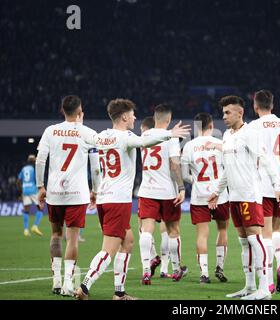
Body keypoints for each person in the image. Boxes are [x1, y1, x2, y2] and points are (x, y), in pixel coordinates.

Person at [74, 99, 190, 300]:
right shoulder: (126, 137)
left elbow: (86, 134)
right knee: (108, 250)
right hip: (118, 201)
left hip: (104, 198)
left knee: (127, 241)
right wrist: (170, 134)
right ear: (124, 116)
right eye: (132, 114)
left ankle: (119, 293)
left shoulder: (102, 137)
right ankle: (84, 287)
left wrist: (77, 123)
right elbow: (145, 142)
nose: (135, 117)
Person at [208, 95, 280, 300]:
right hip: (234, 197)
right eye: (223, 112)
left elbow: (265, 159)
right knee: (244, 242)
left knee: (255, 238)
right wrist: (217, 191)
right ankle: (250, 286)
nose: (223, 116)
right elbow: (226, 168)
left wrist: (277, 185)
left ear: (240, 113)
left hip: (249, 196)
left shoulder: (250, 132)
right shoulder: (226, 135)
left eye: (227, 112)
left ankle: (264, 288)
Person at [36, 95, 100, 296]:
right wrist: (95, 190)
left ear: (62, 110)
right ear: (80, 112)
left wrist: (40, 186)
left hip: (55, 192)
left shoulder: (50, 131)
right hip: (77, 194)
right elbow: (96, 167)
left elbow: (40, 160)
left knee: (56, 235)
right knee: (72, 240)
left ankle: (55, 281)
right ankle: (67, 284)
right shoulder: (88, 133)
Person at [249, 90, 280, 293]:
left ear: (255, 106)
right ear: (272, 105)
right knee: (276, 231)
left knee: (264, 234)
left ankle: (268, 280)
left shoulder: (253, 127)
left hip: (263, 186)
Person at [137, 105, 188, 285]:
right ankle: (175, 270)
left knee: (146, 230)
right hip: (168, 191)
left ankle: (145, 270)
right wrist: (181, 188)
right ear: (168, 119)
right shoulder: (171, 138)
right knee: (173, 231)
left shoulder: (144, 136)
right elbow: (175, 165)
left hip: (147, 190)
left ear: (154, 117)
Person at [181, 112, 230, 284]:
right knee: (222, 230)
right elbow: (228, 168)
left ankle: (204, 274)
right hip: (220, 194)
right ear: (211, 126)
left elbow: (185, 175)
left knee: (202, 235)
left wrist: (194, 180)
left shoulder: (189, 146)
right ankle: (219, 267)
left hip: (199, 196)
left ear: (196, 127)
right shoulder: (220, 143)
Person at [17, 155, 44, 237]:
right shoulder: (33, 169)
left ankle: (25, 230)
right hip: (33, 190)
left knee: (26, 210)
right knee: (40, 208)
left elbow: (18, 181)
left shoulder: (23, 169)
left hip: (25, 190)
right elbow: (38, 179)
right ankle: (35, 226)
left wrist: (21, 191)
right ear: (33, 161)